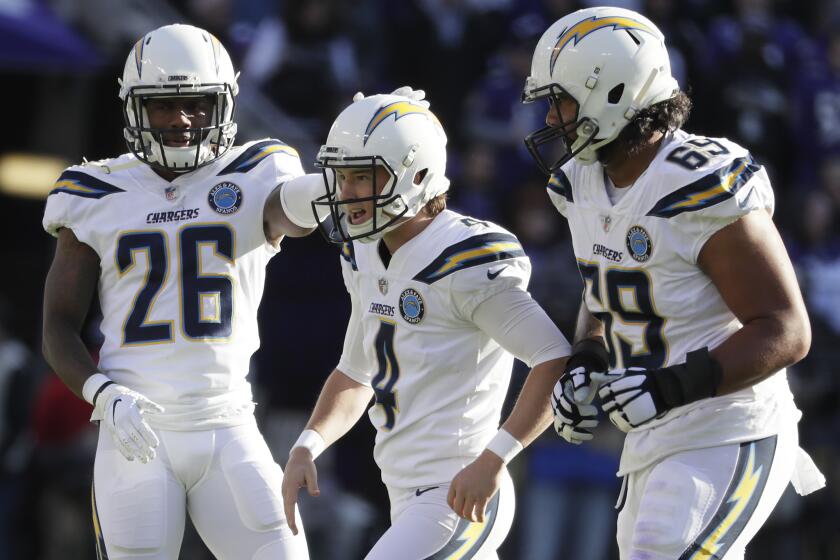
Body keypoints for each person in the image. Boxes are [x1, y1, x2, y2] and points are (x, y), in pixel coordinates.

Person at [521, 6, 826, 559]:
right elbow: (606, 286)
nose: (550, 121)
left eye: (560, 100)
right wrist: (588, 357)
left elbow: (786, 329)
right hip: (653, 438)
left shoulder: (693, 182)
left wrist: (667, 388)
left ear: (613, 93)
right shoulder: (581, 183)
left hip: (728, 426)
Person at [41, 24, 329, 560]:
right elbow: (57, 325)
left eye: (197, 104)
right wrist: (102, 394)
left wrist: (337, 179)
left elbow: (296, 212)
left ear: (223, 104)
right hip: (134, 429)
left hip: (228, 423)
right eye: (162, 107)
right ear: (133, 107)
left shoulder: (256, 170)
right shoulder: (92, 190)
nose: (181, 120)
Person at [280, 92, 572, 559]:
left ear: (416, 176)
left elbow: (554, 358)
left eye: (363, 176)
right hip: (405, 492)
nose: (347, 191)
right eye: (343, 175)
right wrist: (308, 444)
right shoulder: (363, 251)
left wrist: (495, 458)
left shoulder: (465, 260)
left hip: (456, 491)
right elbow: (356, 373)